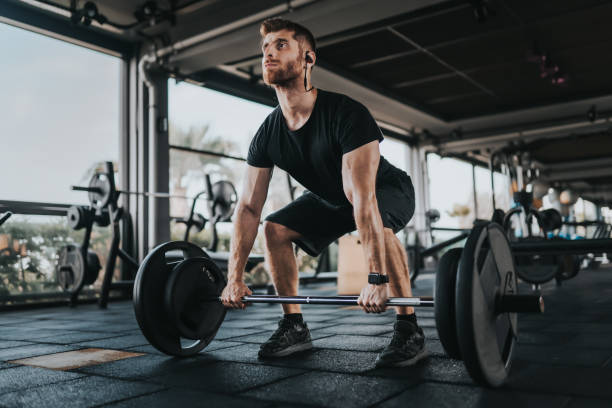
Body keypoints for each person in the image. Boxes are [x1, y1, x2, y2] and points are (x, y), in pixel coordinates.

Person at [220, 18, 426, 367]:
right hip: (333, 198)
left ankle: (409, 326)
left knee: (383, 228)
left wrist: (376, 278)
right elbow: (248, 208)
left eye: (281, 45)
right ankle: (294, 324)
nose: (269, 52)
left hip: (384, 189)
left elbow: (363, 198)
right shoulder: (268, 133)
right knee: (274, 229)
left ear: (308, 60)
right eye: (266, 48)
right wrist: (233, 279)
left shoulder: (347, 114)